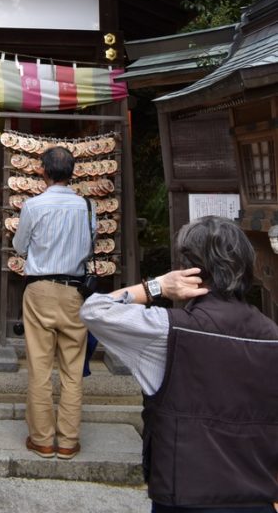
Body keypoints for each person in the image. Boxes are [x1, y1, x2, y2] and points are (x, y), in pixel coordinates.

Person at [81, 215, 278, 513]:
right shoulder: (272, 337)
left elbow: (94, 309)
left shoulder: (167, 330)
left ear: (188, 269)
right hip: (257, 496)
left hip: (185, 495)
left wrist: (157, 287)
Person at [12, 145, 95, 460]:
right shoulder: (86, 207)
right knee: (72, 369)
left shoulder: (33, 206)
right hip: (75, 291)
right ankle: (69, 441)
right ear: (72, 172)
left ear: (42, 171)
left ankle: (43, 439)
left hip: (40, 289)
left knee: (40, 366)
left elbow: (20, 246)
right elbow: (90, 246)